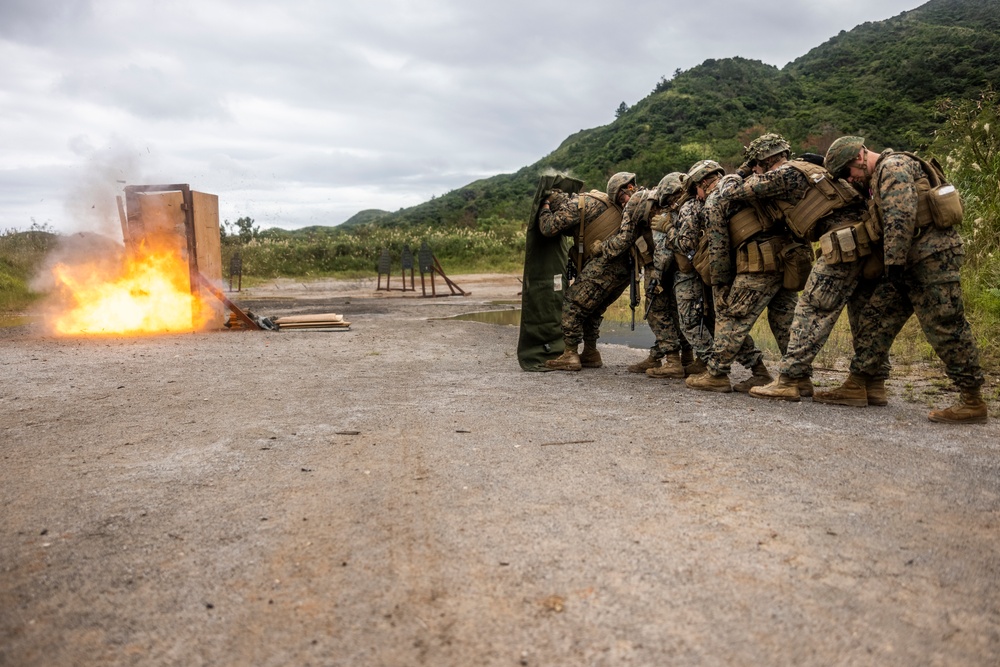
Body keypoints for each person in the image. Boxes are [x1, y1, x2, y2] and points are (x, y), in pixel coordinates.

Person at [812, 136, 988, 423]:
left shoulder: (891, 168)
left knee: (945, 325)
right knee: (876, 317)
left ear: (859, 156)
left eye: (848, 172)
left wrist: (892, 265)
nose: (850, 179)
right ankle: (858, 384)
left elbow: (900, 217)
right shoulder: (884, 171)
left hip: (933, 258)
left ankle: (972, 399)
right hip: (909, 261)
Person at [718, 133, 883, 401]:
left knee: (811, 311)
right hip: (867, 241)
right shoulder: (814, 168)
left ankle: (791, 379)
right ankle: (873, 384)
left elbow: (731, 192)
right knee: (864, 316)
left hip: (843, 244)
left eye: (756, 165)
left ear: (763, 161)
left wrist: (737, 174)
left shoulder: (782, 175)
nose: (755, 170)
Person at [684, 160, 787, 393]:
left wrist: (719, 285)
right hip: (785, 261)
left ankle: (716, 374)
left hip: (758, 263)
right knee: (785, 321)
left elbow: (717, 247)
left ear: (703, 183)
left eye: (696, 190)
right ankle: (798, 377)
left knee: (731, 318)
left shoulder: (716, 198)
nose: (697, 197)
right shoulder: (745, 184)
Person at [539, 172, 637, 371]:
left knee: (572, 304)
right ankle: (591, 353)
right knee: (593, 308)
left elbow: (547, 228)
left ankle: (570, 354)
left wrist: (545, 206)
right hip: (625, 268)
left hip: (607, 264)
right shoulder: (597, 199)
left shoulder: (574, 206)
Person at [626, 172, 691, 378]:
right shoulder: (688, 207)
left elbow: (663, 253)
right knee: (675, 312)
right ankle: (683, 357)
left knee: (656, 311)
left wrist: (656, 278)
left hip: (669, 267)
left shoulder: (667, 213)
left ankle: (673, 361)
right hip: (685, 268)